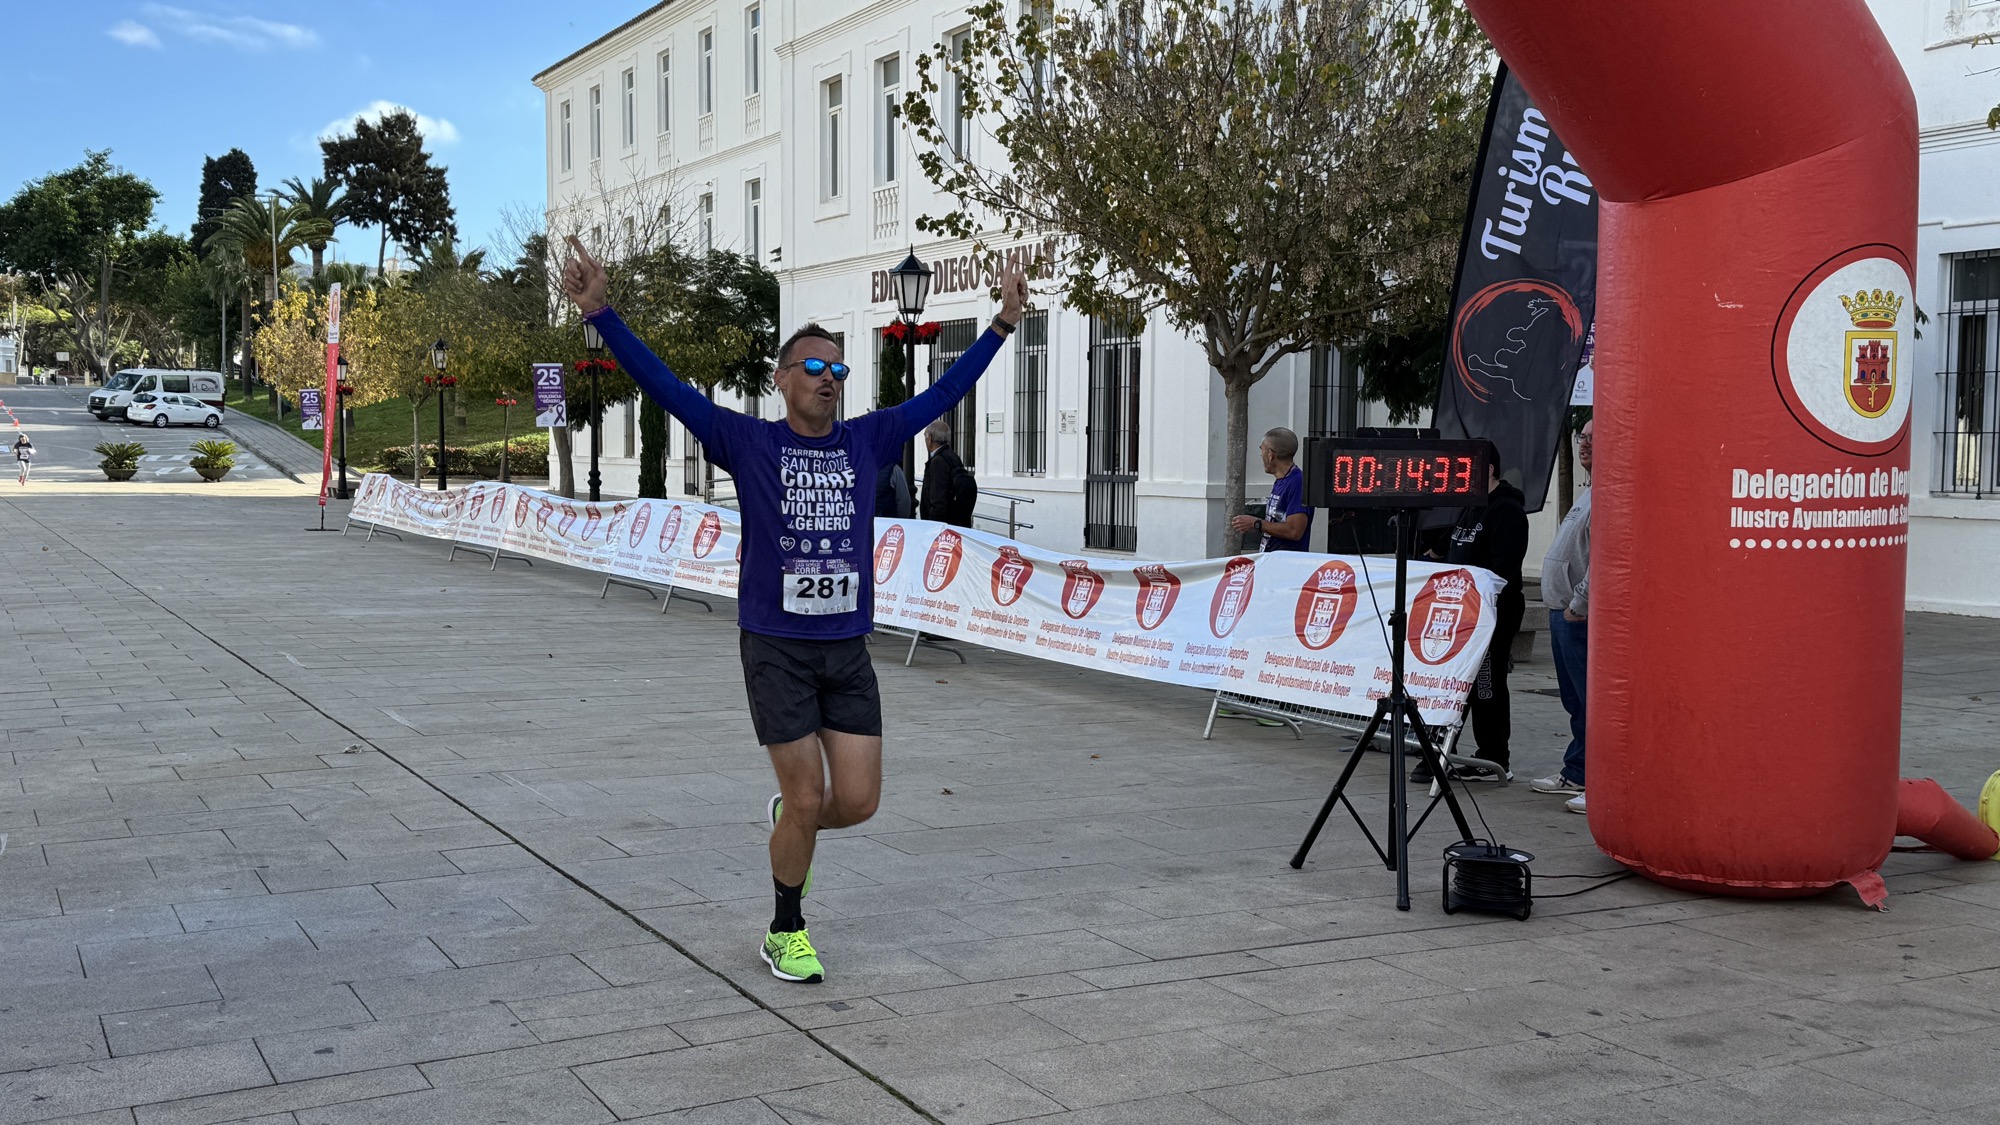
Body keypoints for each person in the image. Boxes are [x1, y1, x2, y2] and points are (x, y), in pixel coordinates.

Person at [561, 235, 1028, 984]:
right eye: (813, 367)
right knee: (809, 792)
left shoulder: (869, 440)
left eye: (838, 368)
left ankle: (791, 825)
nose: (829, 379)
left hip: (847, 648)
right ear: (781, 379)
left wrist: (1001, 324)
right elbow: (668, 388)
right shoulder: (747, 441)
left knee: (858, 802)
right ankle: (786, 927)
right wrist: (601, 314)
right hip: (775, 647)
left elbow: (942, 396)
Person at [1413, 442, 1528, 784]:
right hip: (1458, 612)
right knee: (1456, 680)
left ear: (1488, 470)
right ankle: (1438, 750)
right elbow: (1446, 548)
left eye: (1465, 468)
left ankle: (1494, 757)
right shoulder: (1470, 507)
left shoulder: (1507, 510)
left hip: (1492, 612)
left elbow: (1503, 569)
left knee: (1486, 685)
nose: (1458, 477)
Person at [1531, 419, 1592, 814]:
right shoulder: (1589, 493)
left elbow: (1605, 559)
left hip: (1578, 617)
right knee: (1575, 701)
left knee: (1590, 702)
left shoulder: (1612, 494)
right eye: (1582, 437)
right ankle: (1578, 771)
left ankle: (1597, 780)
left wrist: (1579, 604)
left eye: (1594, 438)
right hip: (1562, 612)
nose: (1585, 444)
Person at [1230, 427, 1312, 551]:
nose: (1261, 455)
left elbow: (1294, 531)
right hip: (1272, 558)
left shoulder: (1297, 482)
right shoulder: (1283, 480)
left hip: (1286, 561)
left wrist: (1256, 523)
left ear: (1270, 455)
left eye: (1262, 450)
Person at [919, 419, 977, 527]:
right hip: (955, 522)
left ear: (930, 438)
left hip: (942, 526)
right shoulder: (952, 456)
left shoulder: (938, 461)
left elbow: (937, 499)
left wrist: (932, 526)